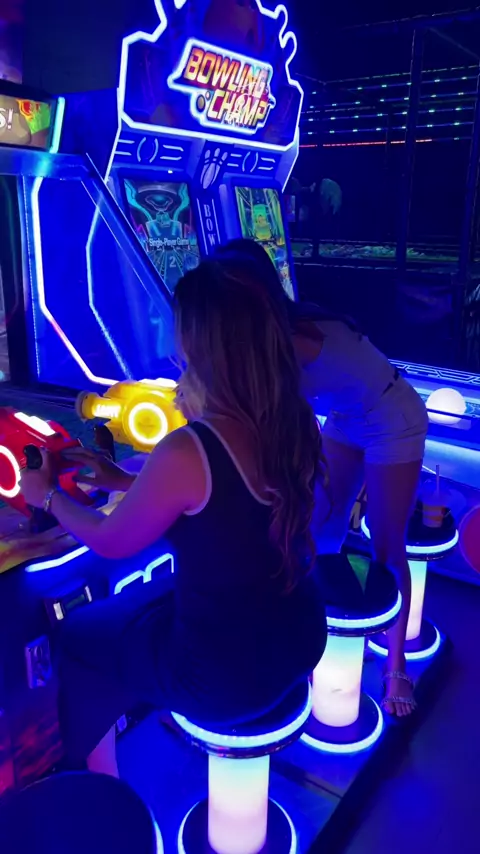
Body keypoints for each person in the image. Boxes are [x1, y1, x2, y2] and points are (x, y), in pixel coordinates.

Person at [20, 259, 328, 777]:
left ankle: (101, 789)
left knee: (78, 638)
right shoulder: (294, 420)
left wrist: (46, 495)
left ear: (205, 345)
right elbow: (227, 506)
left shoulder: (191, 447)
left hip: (224, 679)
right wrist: (124, 481)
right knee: (146, 609)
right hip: (298, 634)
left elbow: (110, 540)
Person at [216, 238, 429, 718]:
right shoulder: (274, 329)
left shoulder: (284, 338)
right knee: (321, 529)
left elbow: (270, 413)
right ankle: (321, 637)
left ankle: (396, 666)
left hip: (391, 415)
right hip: (347, 417)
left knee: (387, 545)